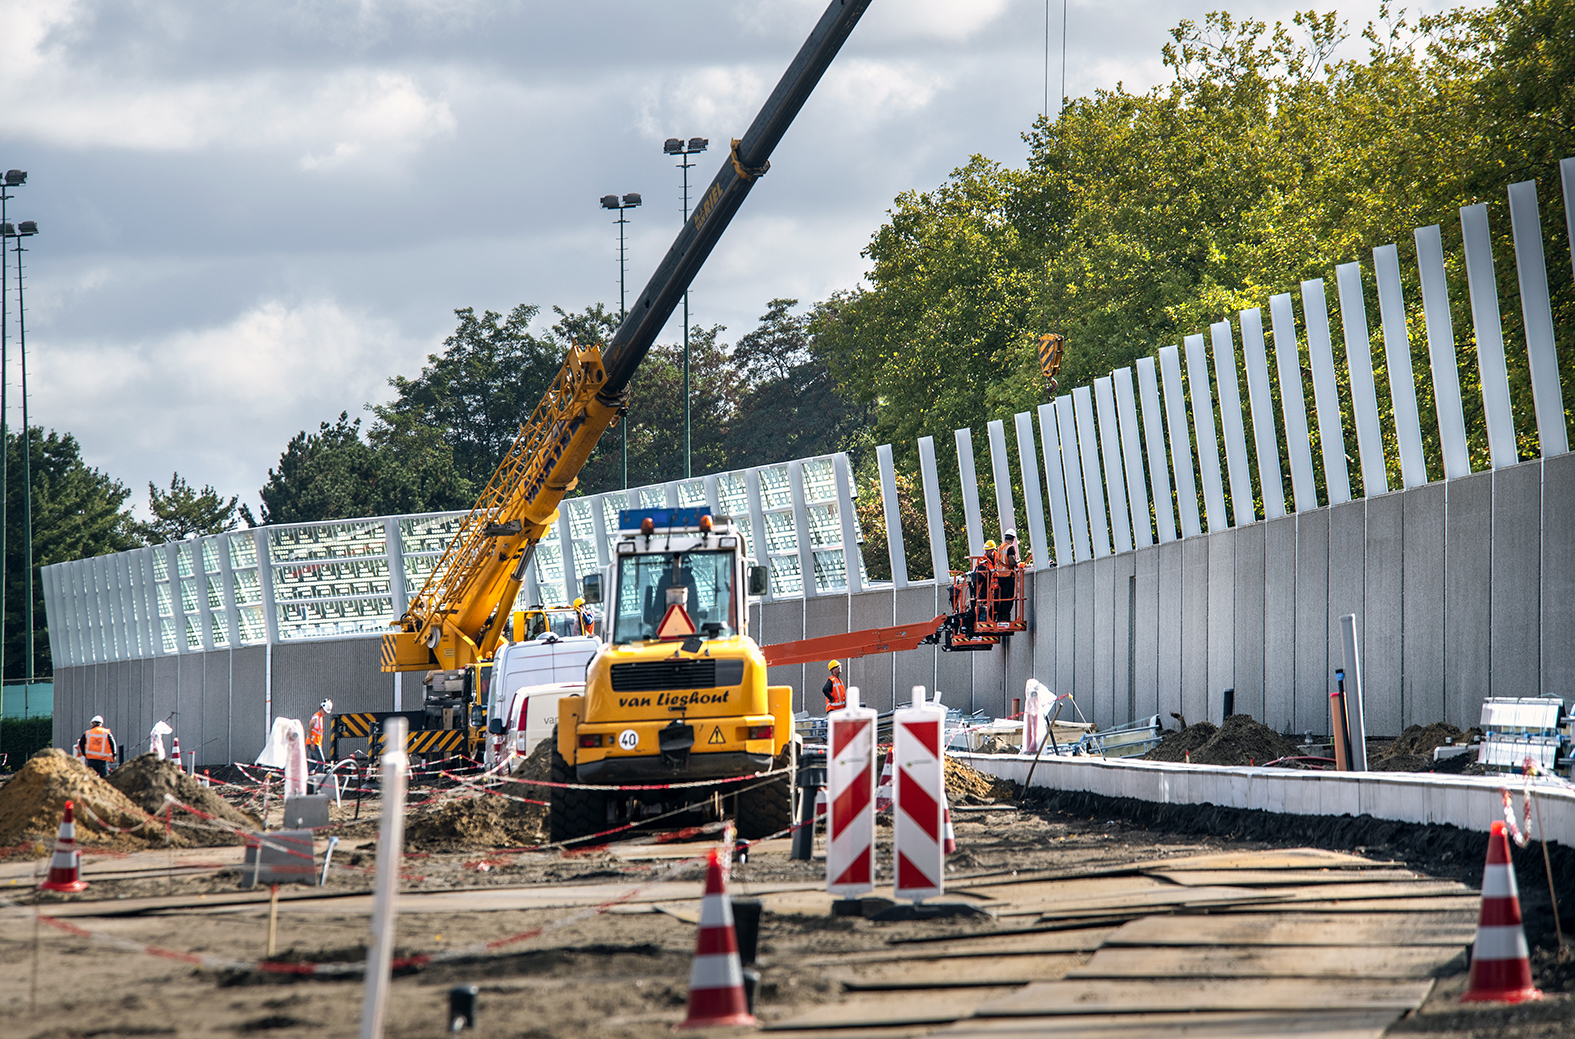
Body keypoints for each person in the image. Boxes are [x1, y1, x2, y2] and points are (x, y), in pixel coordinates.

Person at [996, 531, 1020, 622]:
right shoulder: (1010, 548)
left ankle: (1000, 617)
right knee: (1009, 598)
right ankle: (1005, 617)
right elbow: (1011, 561)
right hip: (1008, 575)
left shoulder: (1000, 547)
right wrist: (1016, 563)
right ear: (1013, 539)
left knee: (1002, 597)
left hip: (1000, 575)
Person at [307, 699, 333, 765]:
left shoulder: (320, 718)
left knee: (314, 763)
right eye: (325, 711)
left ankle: (309, 772)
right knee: (322, 762)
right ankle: (321, 772)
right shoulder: (316, 718)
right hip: (313, 743)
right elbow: (309, 730)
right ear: (321, 708)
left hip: (315, 743)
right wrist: (312, 743)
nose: (325, 713)